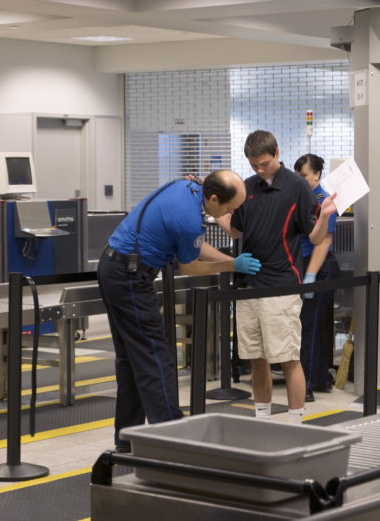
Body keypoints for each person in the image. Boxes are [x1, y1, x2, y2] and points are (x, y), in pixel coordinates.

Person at [97, 169, 261, 453]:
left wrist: (230, 259)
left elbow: (193, 247)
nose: (230, 215)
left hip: (114, 267)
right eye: (229, 209)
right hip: (129, 277)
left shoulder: (187, 187)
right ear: (212, 198)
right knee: (155, 357)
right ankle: (173, 438)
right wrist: (232, 266)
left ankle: (126, 436)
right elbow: (190, 265)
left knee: (131, 358)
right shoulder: (189, 220)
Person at [217, 130, 336, 424]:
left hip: (281, 286)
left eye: (265, 164)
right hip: (249, 286)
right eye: (254, 164)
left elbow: (315, 236)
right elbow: (235, 229)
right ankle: (262, 419)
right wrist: (214, 208)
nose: (259, 170)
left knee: (288, 358)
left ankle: (295, 422)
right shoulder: (247, 187)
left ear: (277, 154)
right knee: (257, 359)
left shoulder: (296, 187)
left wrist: (323, 217)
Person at [294, 154, 340, 403]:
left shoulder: (324, 201)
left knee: (308, 325)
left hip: (319, 266)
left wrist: (310, 275)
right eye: (297, 175)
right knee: (312, 324)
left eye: (303, 176)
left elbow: (324, 241)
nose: (300, 180)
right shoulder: (303, 198)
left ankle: (307, 383)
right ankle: (320, 377)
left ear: (317, 175)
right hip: (304, 265)